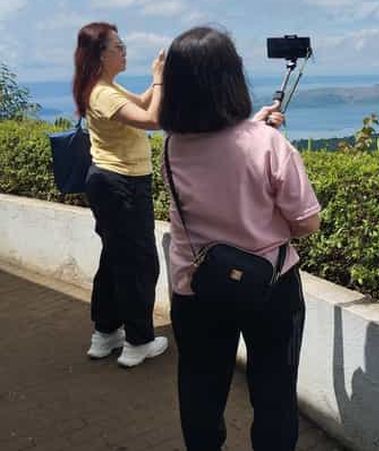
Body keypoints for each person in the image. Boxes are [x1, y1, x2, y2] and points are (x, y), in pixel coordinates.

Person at [159, 26, 321, 451]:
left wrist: (252, 127)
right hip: (269, 287)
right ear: (231, 79)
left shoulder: (172, 146)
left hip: (196, 288)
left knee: (200, 389)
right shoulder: (268, 146)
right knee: (274, 395)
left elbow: (218, 151)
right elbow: (307, 221)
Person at [72, 22, 169, 367]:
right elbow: (152, 119)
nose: (124, 50)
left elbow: (142, 103)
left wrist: (159, 80)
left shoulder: (103, 87)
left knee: (114, 259)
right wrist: (158, 77)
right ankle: (138, 341)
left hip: (110, 183)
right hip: (123, 184)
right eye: (118, 46)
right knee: (138, 263)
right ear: (100, 54)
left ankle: (105, 332)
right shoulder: (103, 93)